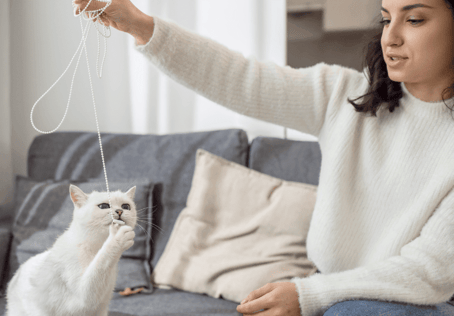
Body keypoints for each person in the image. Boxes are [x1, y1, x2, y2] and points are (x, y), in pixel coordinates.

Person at [72, 0, 454, 315]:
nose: (392, 36)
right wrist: (140, 25)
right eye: (386, 19)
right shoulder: (344, 95)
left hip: (408, 300)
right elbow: (239, 78)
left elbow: (428, 271)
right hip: (328, 286)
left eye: (415, 19)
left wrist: (308, 295)